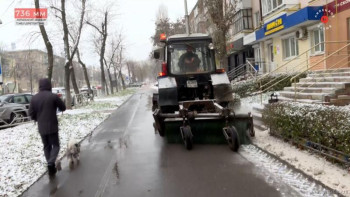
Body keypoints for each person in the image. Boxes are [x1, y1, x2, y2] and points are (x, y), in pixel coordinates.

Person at [29, 78, 66, 177]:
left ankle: (51, 168)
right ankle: (51, 163)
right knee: (56, 145)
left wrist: (38, 118)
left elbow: (31, 114)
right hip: (52, 125)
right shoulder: (53, 96)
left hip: (41, 127)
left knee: (46, 146)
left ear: (40, 86)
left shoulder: (34, 98)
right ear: (49, 85)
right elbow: (63, 107)